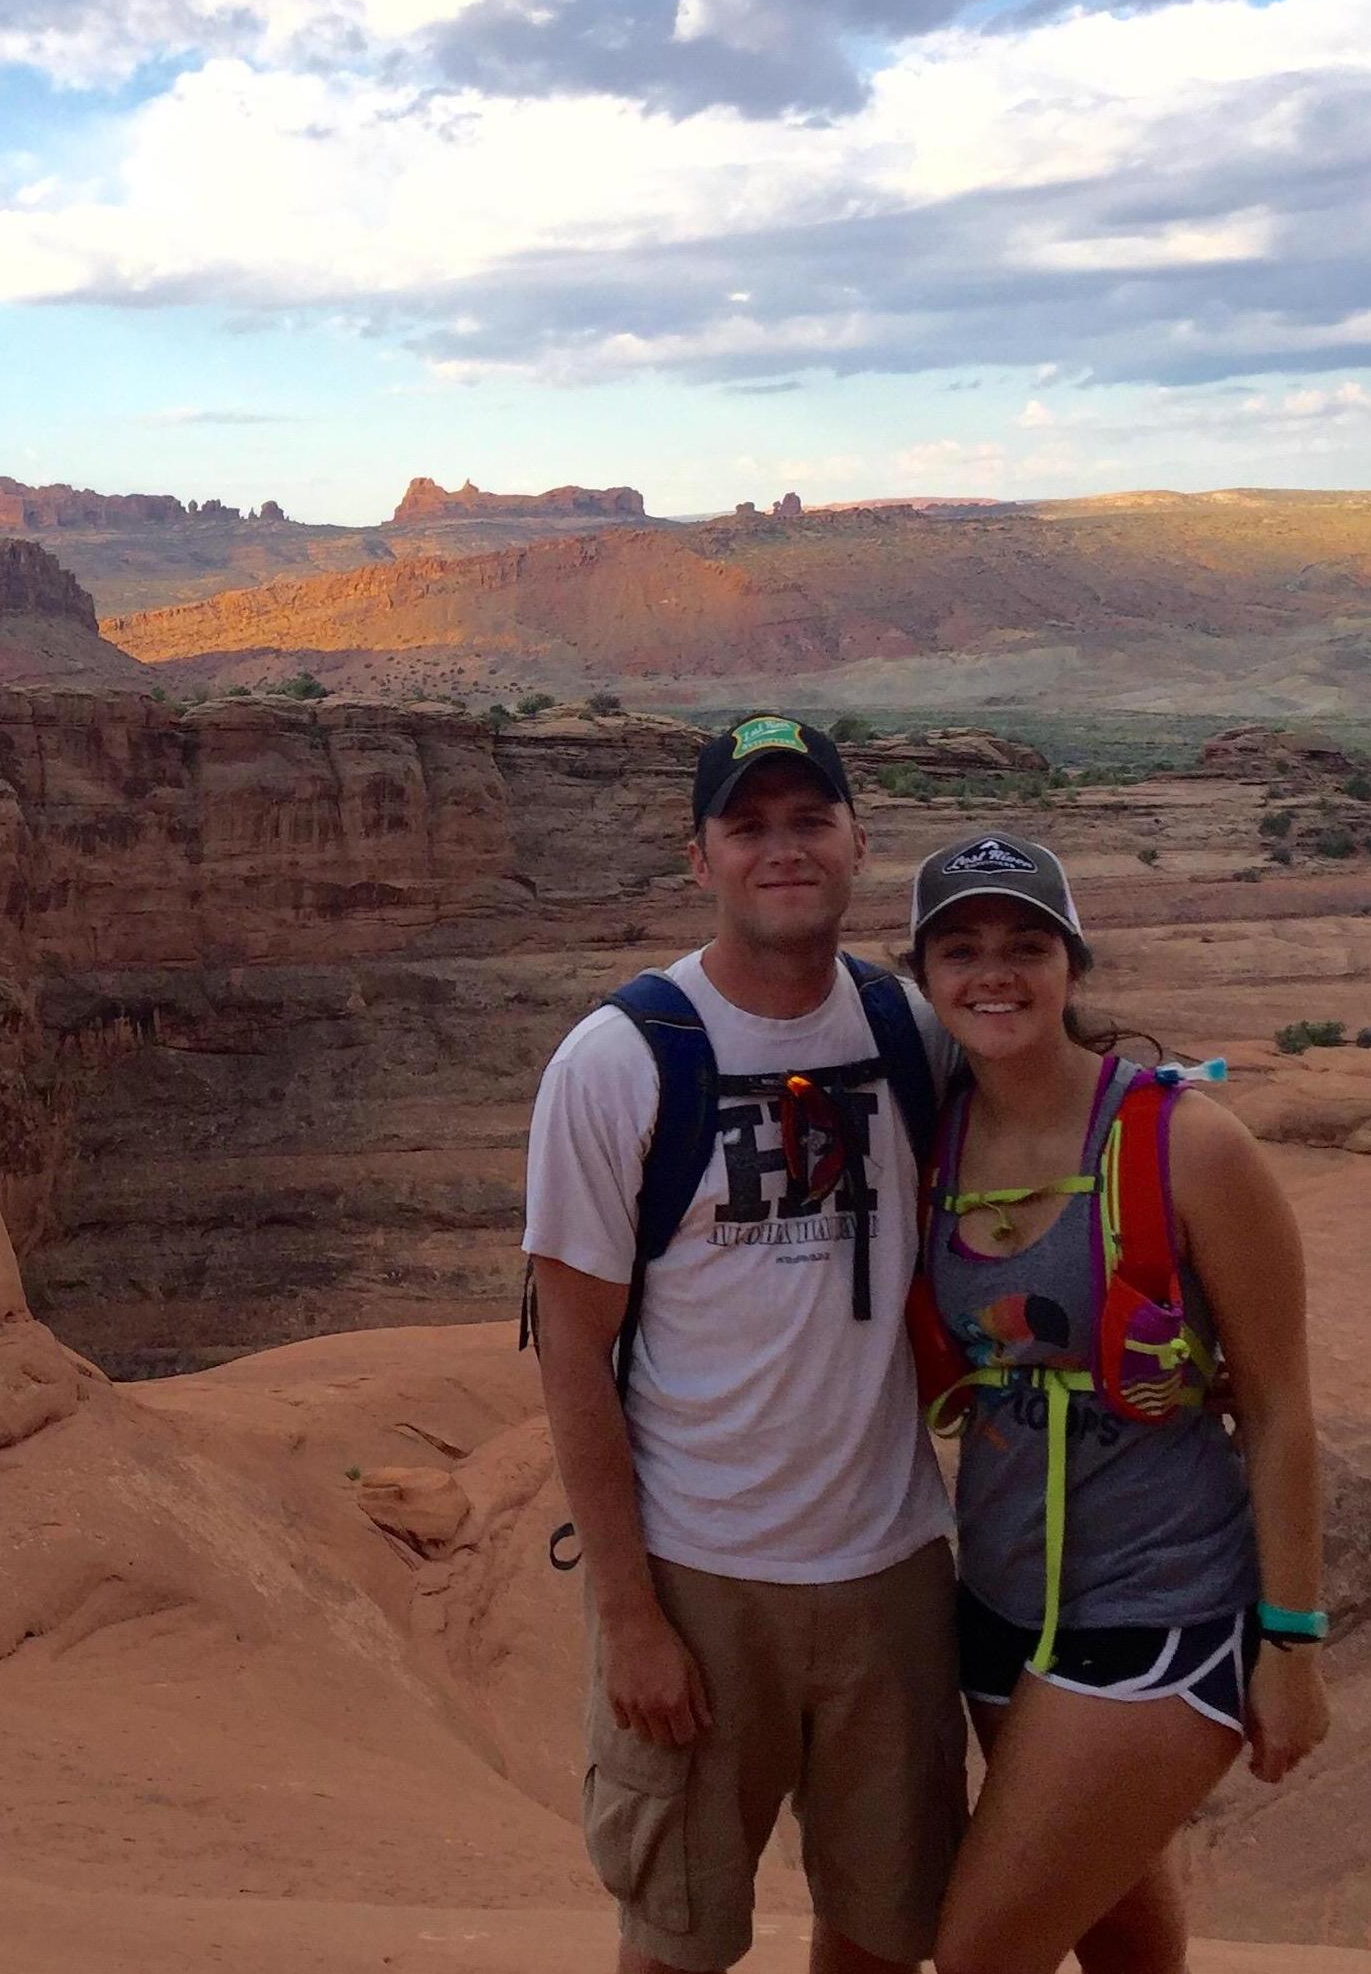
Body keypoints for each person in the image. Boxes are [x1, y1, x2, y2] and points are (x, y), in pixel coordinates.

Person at [523, 713, 967, 1974]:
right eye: (749, 825)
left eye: (808, 819)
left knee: (883, 1930)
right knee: (677, 1937)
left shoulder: (908, 1035)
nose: (782, 848)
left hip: (890, 1574)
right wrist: (629, 1614)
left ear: (855, 842)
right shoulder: (617, 1061)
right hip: (698, 1577)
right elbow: (570, 1349)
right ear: (699, 855)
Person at [906, 834, 1328, 1974]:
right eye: (961, 949)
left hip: (1158, 1603)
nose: (995, 972)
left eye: (1025, 945)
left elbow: (1282, 1405)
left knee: (981, 1952)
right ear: (926, 976)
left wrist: (1290, 1642)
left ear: (1071, 964)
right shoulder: (933, 1138)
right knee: (1123, 1941)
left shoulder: (1185, 1139)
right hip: (998, 1601)